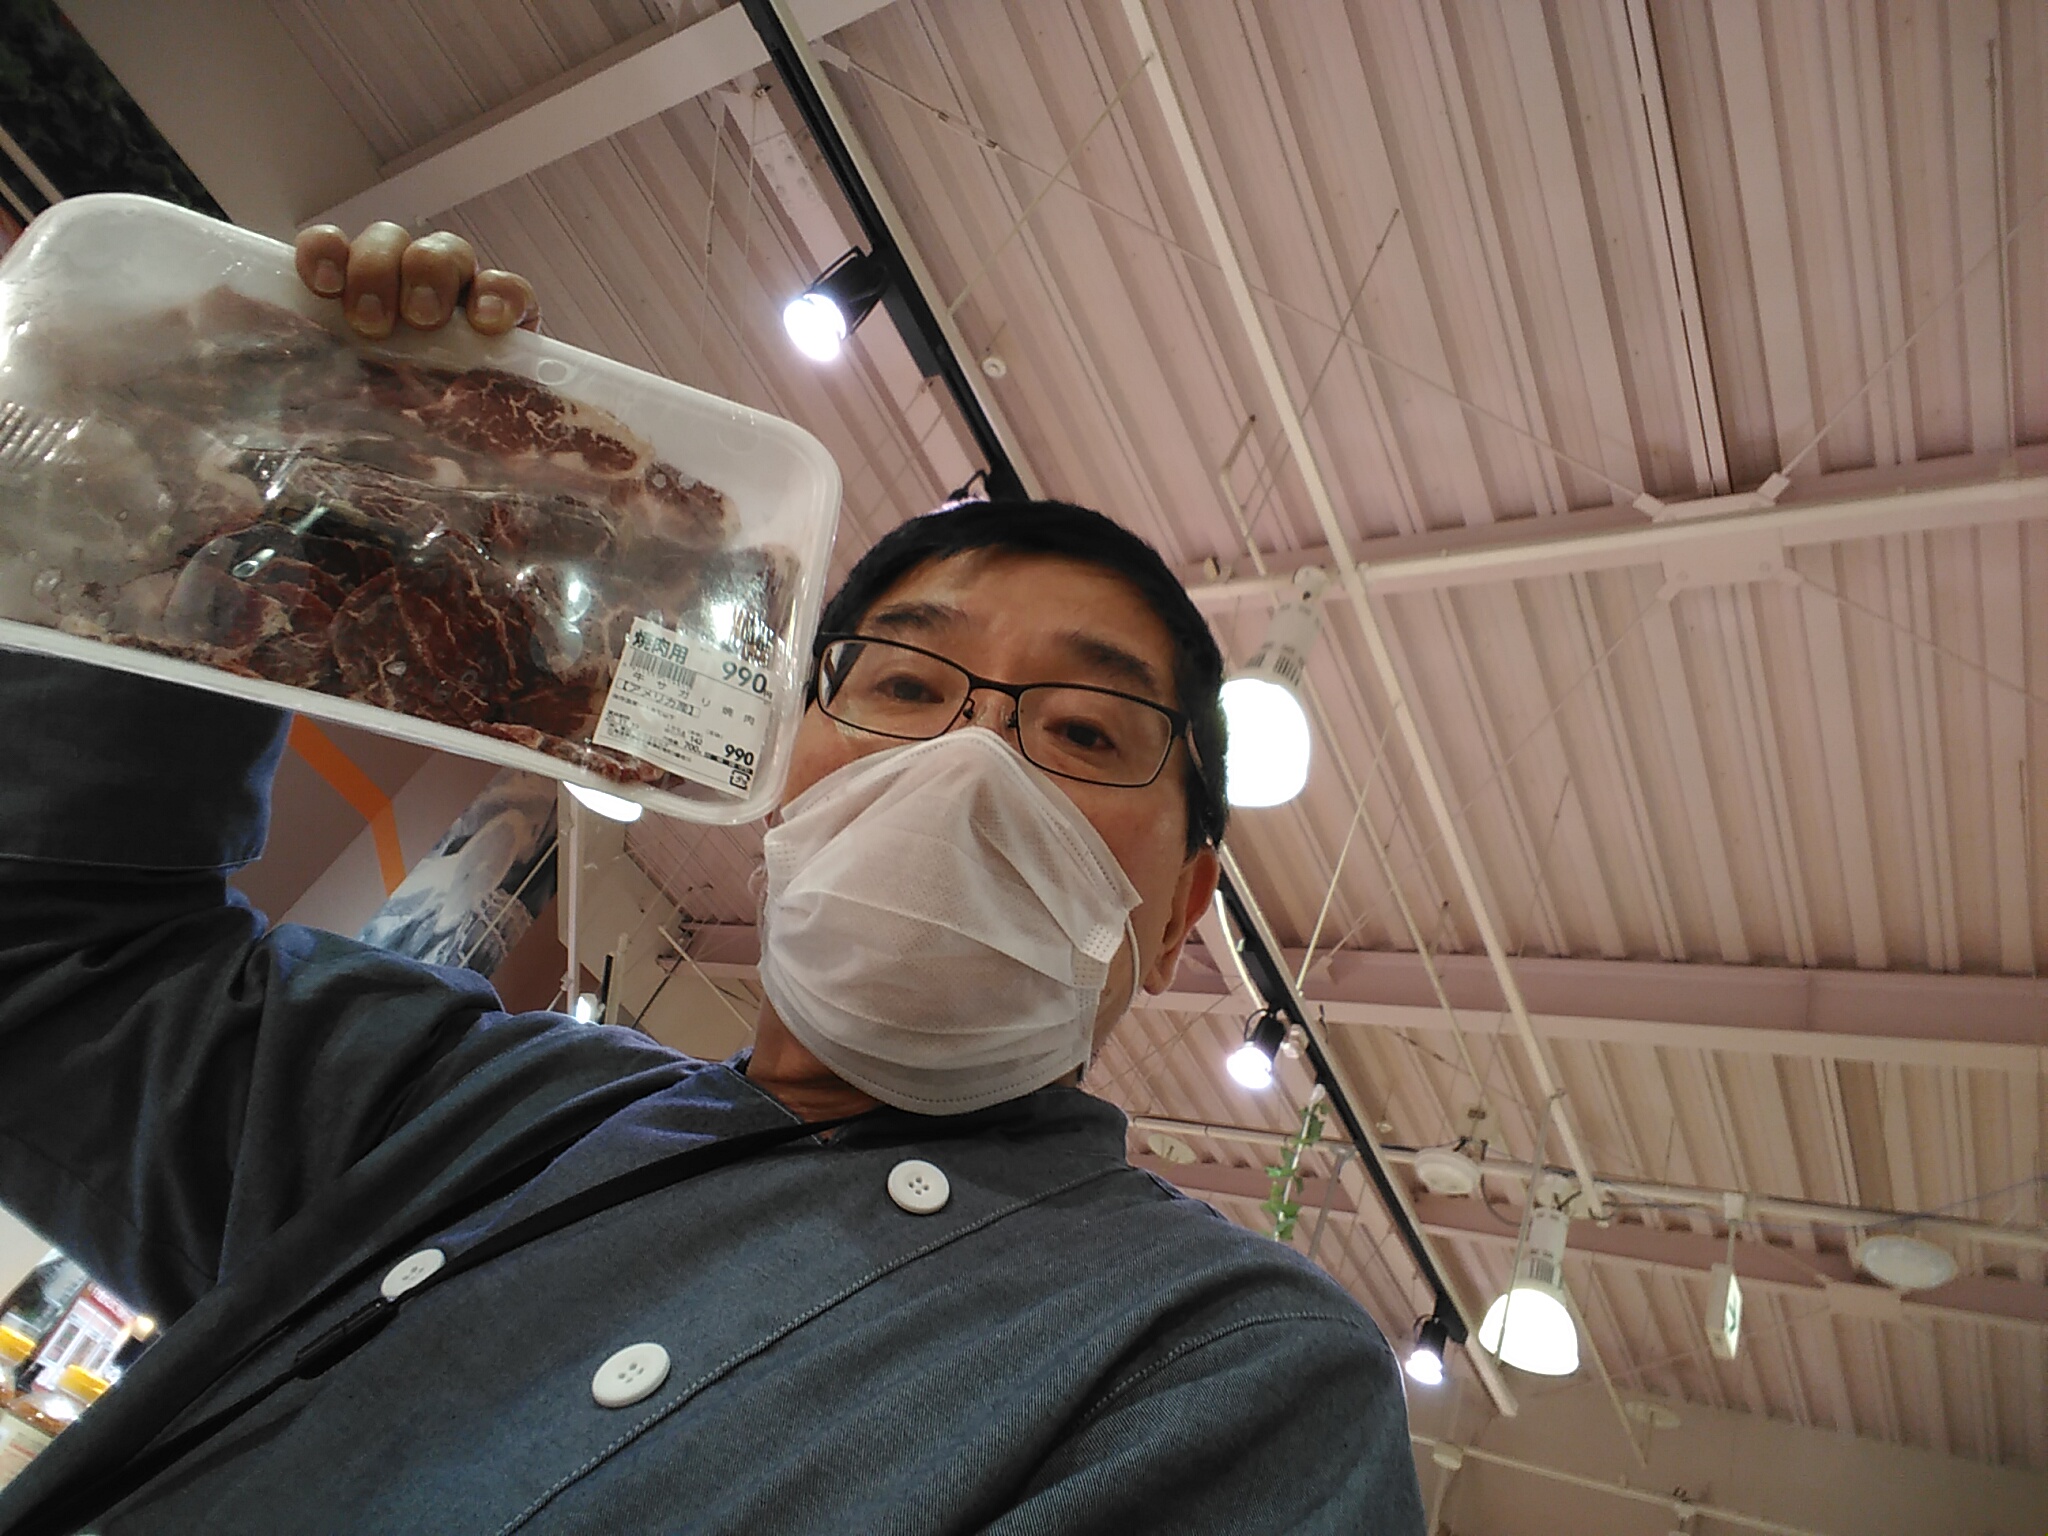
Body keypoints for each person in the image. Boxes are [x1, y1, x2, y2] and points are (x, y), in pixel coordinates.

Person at [0, 224, 1425, 1534]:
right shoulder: (470, 1109)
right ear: (774, 771)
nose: (971, 763)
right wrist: (278, 471)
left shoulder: (1230, 1362)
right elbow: (50, 966)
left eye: (1085, 731)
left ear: (1180, 914)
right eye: (906, 683)